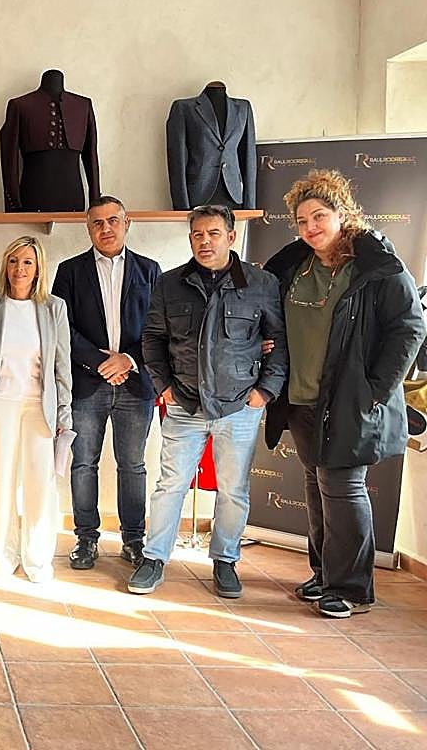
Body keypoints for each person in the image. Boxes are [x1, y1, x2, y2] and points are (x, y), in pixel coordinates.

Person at [263, 170, 426, 618]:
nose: (311, 226)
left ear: (342, 213)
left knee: (343, 487)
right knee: (318, 485)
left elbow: (409, 328)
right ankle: (325, 574)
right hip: (301, 398)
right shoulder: (295, 265)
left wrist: (374, 390)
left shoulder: (377, 267)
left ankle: (351, 588)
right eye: (301, 220)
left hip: (351, 400)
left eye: (319, 215)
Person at [131, 205, 288, 598]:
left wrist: (263, 392)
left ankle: (225, 561)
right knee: (170, 486)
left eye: (213, 233)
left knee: (233, 489)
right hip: (184, 404)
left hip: (239, 407)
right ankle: (154, 559)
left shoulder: (261, 283)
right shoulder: (169, 284)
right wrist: (163, 387)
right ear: (190, 239)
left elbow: (279, 342)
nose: (205, 241)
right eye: (198, 234)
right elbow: (152, 339)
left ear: (231, 237)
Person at [52, 196, 161, 569]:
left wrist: (127, 359)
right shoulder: (69, 271)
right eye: (97, 223)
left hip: (136, 383)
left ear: (126, 223)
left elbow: (158, 329)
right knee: (83, 464)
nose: (106, 228)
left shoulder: (150, 270)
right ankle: (86, 539)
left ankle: (133, 539)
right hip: (87, 384)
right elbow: (61, 327)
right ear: (89, 229)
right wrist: (101, 362)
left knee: (132, 465)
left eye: (113, 220)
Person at [0, 235, 72, 581]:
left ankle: (38, 559)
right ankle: (2, 554)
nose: (19, 269)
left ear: (38, 267)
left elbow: (62, 367)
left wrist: (64, 413)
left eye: (27, 262)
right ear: (4, 266)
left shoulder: (54, 308)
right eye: (13, 261)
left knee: (41, 484)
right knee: (2, 481)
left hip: (40, 408)